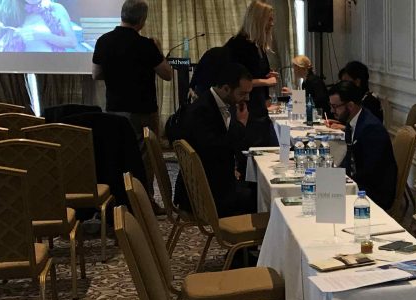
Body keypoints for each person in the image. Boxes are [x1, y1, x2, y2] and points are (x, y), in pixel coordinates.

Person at [173, 63, 256, 218]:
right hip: (202, 193)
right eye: (242, 93)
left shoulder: (215, 102)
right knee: (259, 197)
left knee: (255, 185)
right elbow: (216, 151)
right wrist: (241, 124)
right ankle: (240, 234)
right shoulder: (201, 111)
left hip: (212, 180)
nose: (247, 98)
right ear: (226, 88)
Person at [92, 0, 173, 138]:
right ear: (141, 20)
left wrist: (117, 73)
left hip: (114, 110)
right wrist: (159, 50)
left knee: (119, 148)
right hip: (143, 112)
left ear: (122, 15)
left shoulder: (103, 41)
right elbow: (167, 74)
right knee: (145, 150)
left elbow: (96, 74)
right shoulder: (147, 45)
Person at [329, 81, 397, 209]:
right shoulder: (353, 121)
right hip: (360, 183)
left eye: (335, 106)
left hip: (373, 193)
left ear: (350, 105)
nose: (332, 111)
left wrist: (340, 182)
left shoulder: (371, 129)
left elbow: (370, 172)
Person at [224, 0, 279, 148]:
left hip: (259, 107)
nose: (272, 24)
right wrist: (266, 82)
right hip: (246, 108)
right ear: (258, 19)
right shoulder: (238, 45)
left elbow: (255, 73)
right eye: (269, 19)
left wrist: (267, 76)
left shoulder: (258, 45)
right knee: (254, 149)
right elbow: (237, 82)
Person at [0, 0, 78, 52]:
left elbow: (72, 42)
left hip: (50, 71)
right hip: (18, 75)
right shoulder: (8, 12)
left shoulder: (56, 8)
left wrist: (43, 36)